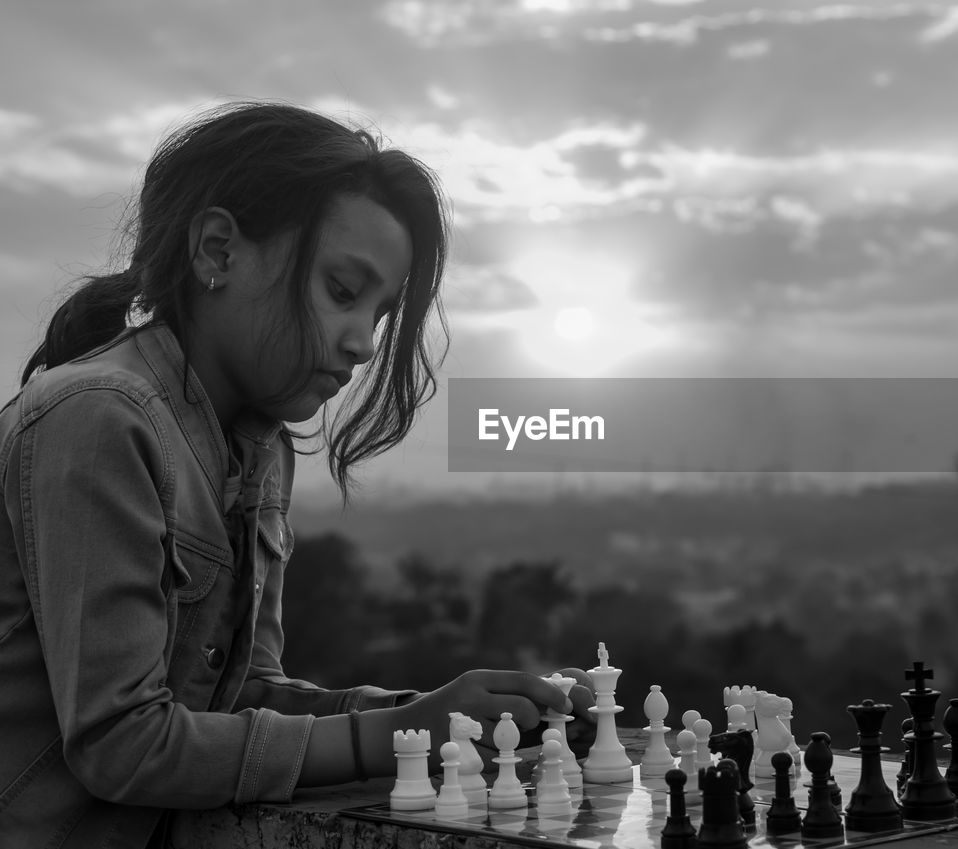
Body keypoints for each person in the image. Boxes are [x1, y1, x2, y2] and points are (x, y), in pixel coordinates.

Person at [0, 101, 595, 849]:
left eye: (379, 316)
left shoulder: (259, 443)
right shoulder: (100, 418)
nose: (359, 344)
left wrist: (444, 715)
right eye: (343, 292)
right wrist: (395, 731)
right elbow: (124, 742)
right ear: (218, 249)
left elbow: (233, 698)